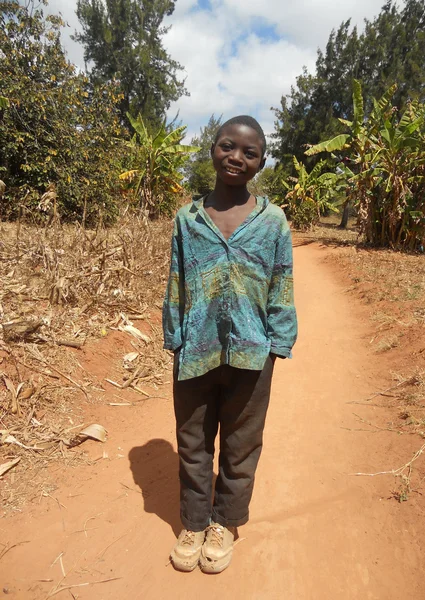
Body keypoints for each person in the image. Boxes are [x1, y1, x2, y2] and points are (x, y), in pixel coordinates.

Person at [162, 115, 297, 573]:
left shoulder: (273, 221)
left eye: (249, 152)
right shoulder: (188, 218)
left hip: (252, 351)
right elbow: (177, 280)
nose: (236, 157)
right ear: (213, 150)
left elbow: (281, 281)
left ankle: (224, 521)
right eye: (227, 146)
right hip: (195, 348)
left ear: (261, 162)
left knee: (241, 443)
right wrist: (174, 335)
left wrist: (279, 339)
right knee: (193, 440)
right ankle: (195, 521)